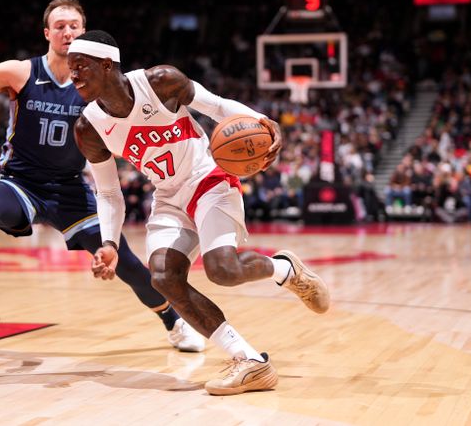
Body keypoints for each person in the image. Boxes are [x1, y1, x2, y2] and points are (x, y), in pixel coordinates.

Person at [0, 0, 205, 352]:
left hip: (70, 190)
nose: (67, 32)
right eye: (60, 26)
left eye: (74, 27)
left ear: (84, 34)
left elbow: (137, 126)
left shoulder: (101, 86)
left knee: (125, 263)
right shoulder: (20, 72)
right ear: (47, 32)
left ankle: (173, 321)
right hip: (21, 183)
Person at [68, 30, 330, 396]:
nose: (73, 75)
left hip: (209, 180)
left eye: (80, 66)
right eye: (70, 68)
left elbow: (219, 107)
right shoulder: (88, 128)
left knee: (223, 270)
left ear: (107, 63)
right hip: (169, 198)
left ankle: (285, 269)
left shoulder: (160, 82)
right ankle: (250, 361)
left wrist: (262, 122)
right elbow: (109, 192)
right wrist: (109, 242)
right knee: (161, 276)